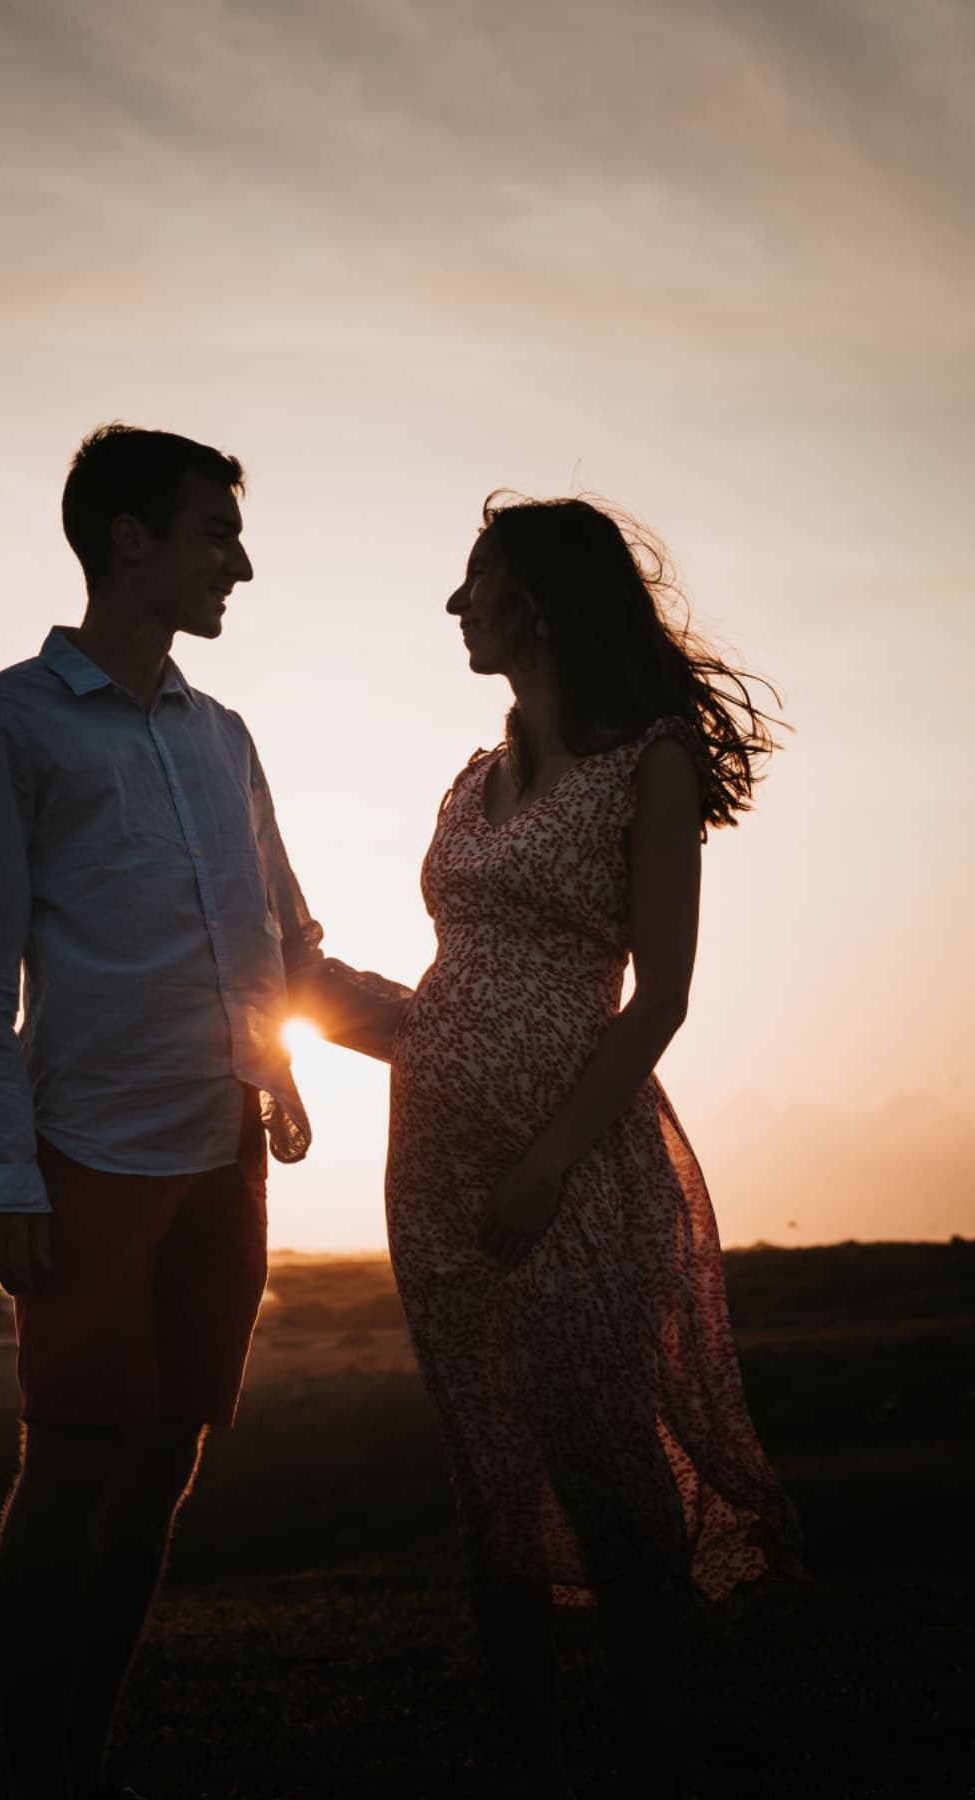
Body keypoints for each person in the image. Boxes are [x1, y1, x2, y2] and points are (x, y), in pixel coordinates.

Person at [0, 424, 400, 1800]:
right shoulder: (1, 724)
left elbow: (282, 944)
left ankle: (92, 1750)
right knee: (73, 1459)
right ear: (130, 540)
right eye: (215, 534)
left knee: (169, 1463)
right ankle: (40, 1770)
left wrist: (407, 1043)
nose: (239, 565)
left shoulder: (223, 736)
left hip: (223, 1151)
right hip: (84, 1156)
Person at [379, 494, 804, 1799]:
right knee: (486, 1468)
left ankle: (651, 1759)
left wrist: (553, 1156)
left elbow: (661, 995)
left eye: (476, 579)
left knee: (608, 1470)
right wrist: (305, 988)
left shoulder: (649, 761)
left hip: (566, 1159)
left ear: (542, 599)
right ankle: (533, 1763)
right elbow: (449, 989)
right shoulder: (474, 772)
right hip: (430, 1159)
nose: (456, 605)